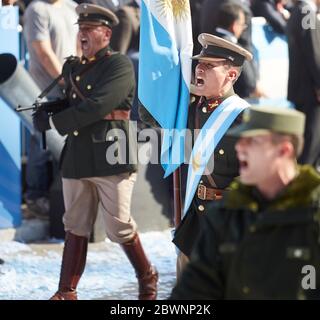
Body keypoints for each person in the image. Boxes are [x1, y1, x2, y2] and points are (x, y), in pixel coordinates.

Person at [32, 3, 158, 300]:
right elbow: (74, 102)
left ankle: (147, 274)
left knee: (118, 227)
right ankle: (66, 291)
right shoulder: (73, 66)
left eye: (89, 29)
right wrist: (50, 108)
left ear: (106, 33)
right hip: (77, 156)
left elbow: (99, 105)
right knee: (75, 225)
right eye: (81, 29)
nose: (83, 34)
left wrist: (53, 120)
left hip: (111, 155)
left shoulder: (119, 65)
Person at [170, 106, 320, 299]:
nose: (240, 147)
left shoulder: (313, 214)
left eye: (253, 141)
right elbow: (194, 291)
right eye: (241, 139)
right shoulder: (226, 215)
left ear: (283, 150)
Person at [140, 33, 253, 276]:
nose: (199, 69)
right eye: (199, 63)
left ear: (231, 75)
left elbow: (255, 180)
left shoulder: (244, 119)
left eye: (209, 66)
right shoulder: (190, 110)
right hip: (192, 225)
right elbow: (149, 117)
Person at [23, 0, 79, 219]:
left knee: (63, 145)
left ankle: (61, 200)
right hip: (44, 90)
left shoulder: (71, 7)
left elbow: (77, 46)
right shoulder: (36, 9)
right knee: (41, 142)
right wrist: (66, 81)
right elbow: (43, 52)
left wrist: (77, 78)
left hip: (69, 87)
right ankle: (36, 199)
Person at [287, 0, 320, 170]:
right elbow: (313, 50)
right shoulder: (307, 10)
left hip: (302, 90)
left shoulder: (298, 10)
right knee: (310, 148)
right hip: (311, 92)